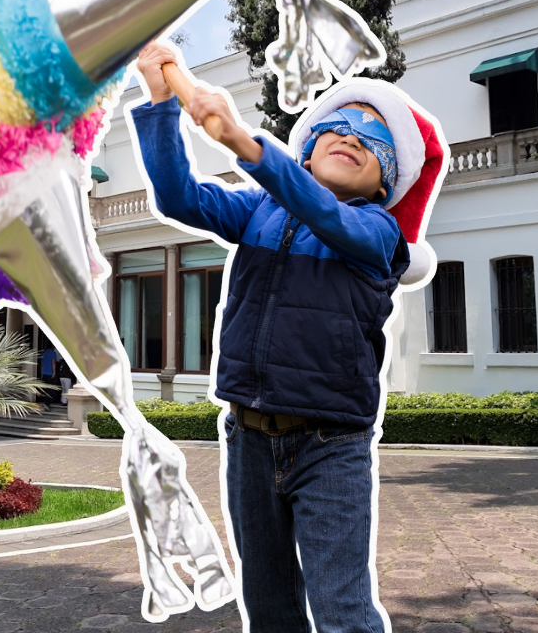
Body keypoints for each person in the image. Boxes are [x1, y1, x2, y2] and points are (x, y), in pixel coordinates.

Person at [129, 42, 438, 633]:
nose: (352, 138)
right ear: (309, 144)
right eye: (339, 126)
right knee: (269, 610)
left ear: (385, 184)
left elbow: (331, 219)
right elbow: (178, 196)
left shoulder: (377, 235)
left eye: (373, 141)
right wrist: (162, 100)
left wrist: (245, 143)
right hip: (247, 439)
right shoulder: (258, 212)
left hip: (332, 446)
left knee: (342, 612)